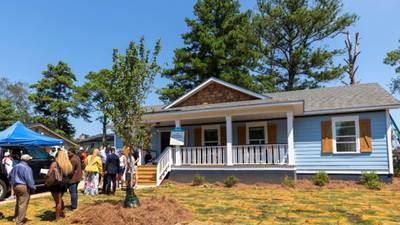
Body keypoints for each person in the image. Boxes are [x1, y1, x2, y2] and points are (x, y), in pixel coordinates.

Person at [9, 154, 35, 225]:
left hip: (15, 186)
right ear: (27, 160)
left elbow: (9, 176)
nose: (31, 160)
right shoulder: (27, 168)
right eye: (30, 159)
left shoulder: (16, 166)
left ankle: (15, 218)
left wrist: (13, 183)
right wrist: (33, 188)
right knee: (23, 204)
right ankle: (19, 221)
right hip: (23, 186)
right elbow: (29, 180)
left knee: (18, 202)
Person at [47, 150, 73, 220]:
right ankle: (61, 213)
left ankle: (57, 217)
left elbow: (49, 174)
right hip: (63, 184)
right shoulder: (68, 164)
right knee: (60, 199)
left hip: (56, 184)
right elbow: (69, 173)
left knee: (57, 201)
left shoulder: (55, 163)